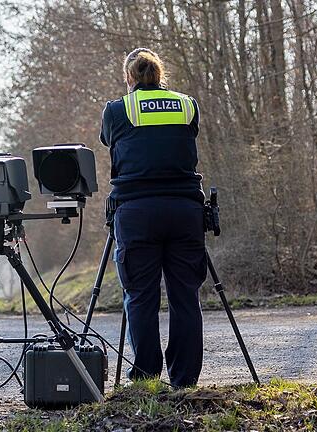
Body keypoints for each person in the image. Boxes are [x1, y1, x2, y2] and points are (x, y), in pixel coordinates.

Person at [99, 48, 207, 387]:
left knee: (141, 297)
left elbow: (108, 140)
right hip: (185, 211)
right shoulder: (188, 105)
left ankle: (146, 376)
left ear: (129, 78)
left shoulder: (117, 110)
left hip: (136, 213)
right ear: (161, 75)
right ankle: (185, 381)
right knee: (185, 296)